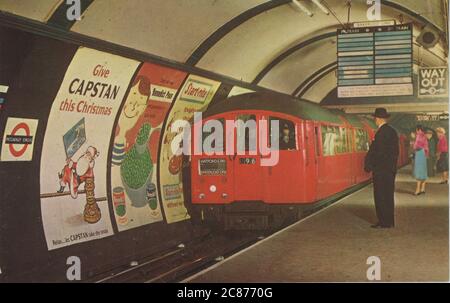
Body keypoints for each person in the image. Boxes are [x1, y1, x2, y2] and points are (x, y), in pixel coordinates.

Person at [364, 108, 399, 229]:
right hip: (389, 170)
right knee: (388, 195)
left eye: (375, 119)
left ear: (378, 119)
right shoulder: (392, 131)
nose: (375, 121)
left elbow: (378, 152)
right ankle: (389, 221)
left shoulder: (381, 132)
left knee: (380, 196)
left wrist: (371, 165)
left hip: (381, 170)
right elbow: (395, 152)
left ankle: (383, 222)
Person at [413, 125, 428, 195]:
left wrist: (413, 145)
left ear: (419, 130)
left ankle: (418, 190)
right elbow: (426, 146)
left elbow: (416, 146)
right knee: (423, 171)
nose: (416, 131)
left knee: (419, 171)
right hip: (424, 154)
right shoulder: (425, 136)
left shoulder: (418, 135)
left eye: (416, 130)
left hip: (419, 153)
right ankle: (423, 188)